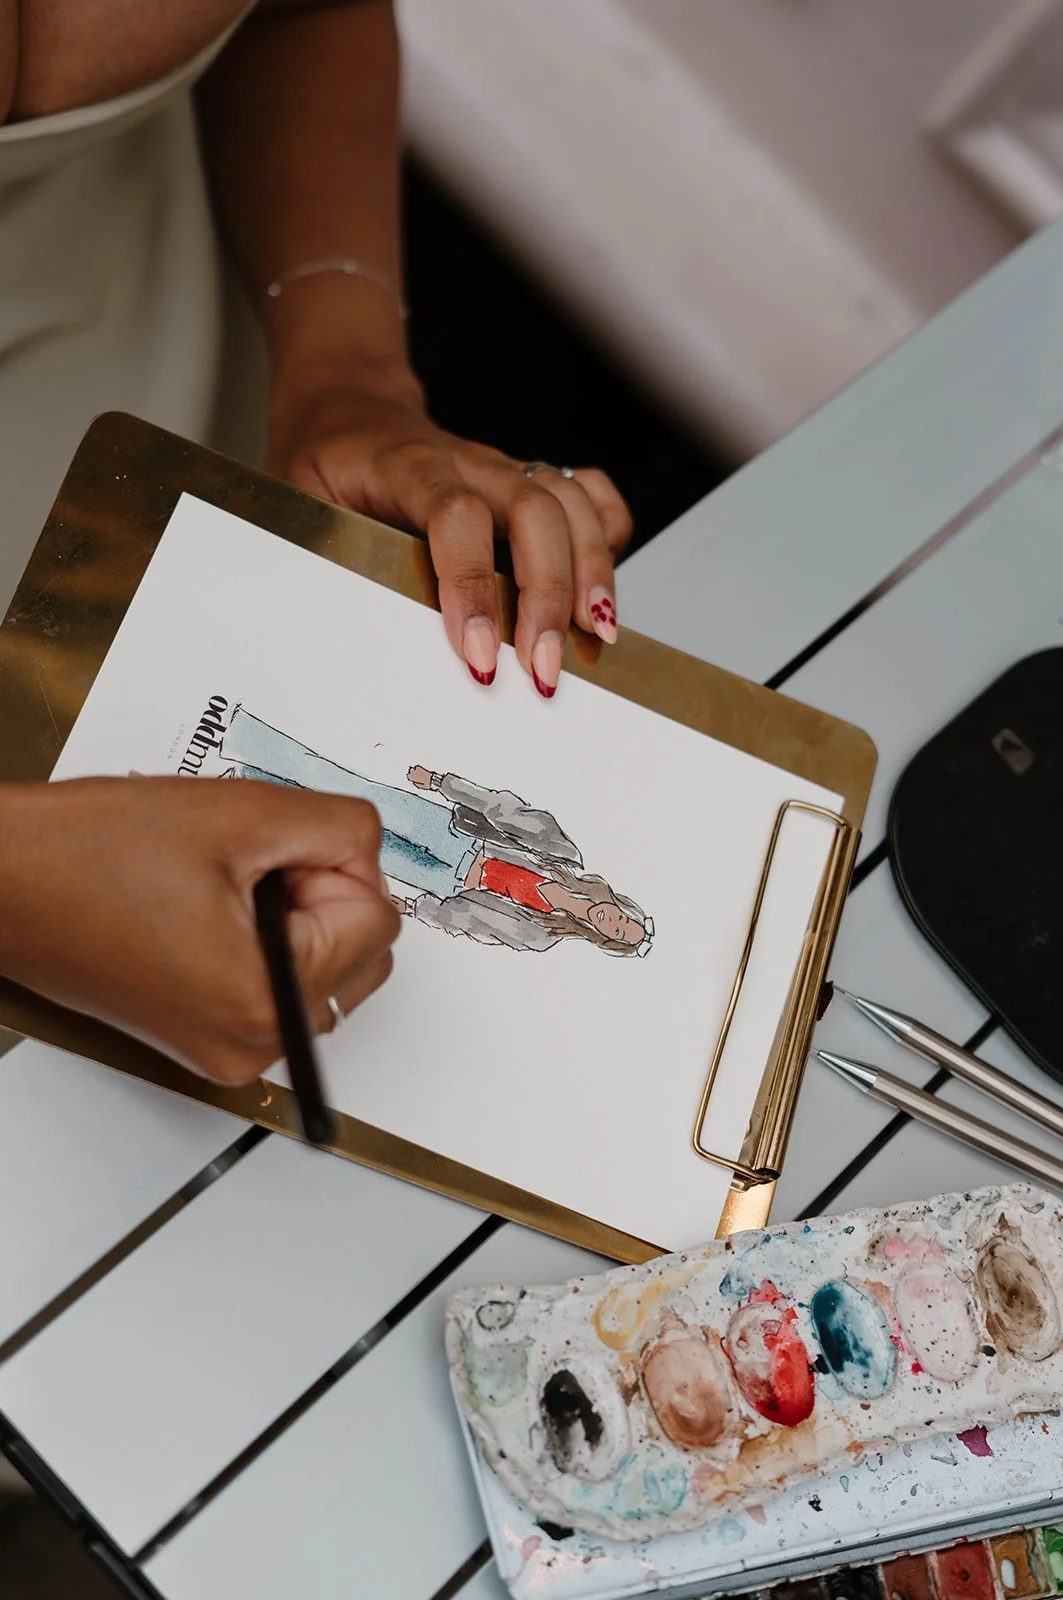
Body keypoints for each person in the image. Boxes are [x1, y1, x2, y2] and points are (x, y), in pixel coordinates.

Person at [0, 1, 634, 1079]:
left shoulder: (545, 896)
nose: (604, 925)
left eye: (614, 934)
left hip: (188, 462)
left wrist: (345, 371)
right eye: (616, 928)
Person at [215, 706, 655, 954]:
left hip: (442, 881)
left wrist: (420, 908)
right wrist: (444, 784)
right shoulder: (563, 855)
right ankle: (243, 740)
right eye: (622, 917)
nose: (612, 923)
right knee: (347, 789)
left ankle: (243, 786)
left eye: (616, 933)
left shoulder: (541, 935)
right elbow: (505, 810)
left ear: (603, 940)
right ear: (615, 900)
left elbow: (475, 923)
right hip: (456, 836)